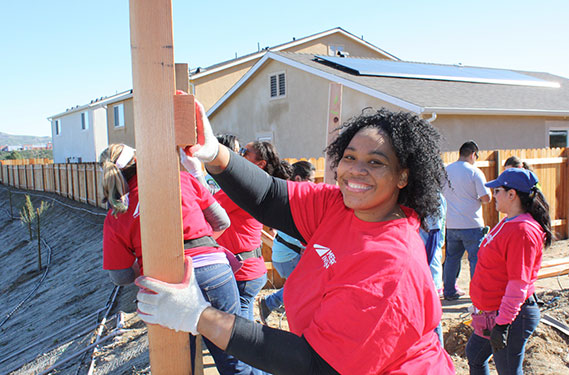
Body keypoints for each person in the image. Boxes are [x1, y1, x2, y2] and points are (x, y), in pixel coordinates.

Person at [136, 105, 455, 374]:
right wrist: (214, 153)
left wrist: (199, 316)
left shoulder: (390, 268)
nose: (356, 171)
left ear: (403, 176)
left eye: (376, 162)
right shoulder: (340, 207)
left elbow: (313, 364)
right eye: (349, 157)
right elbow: (269, 197)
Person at [100, 144, 253, 375]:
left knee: (179, 363)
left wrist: (145, 259)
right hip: (213, 269)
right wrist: (197, 242)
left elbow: (120, 276)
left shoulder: (117, 213)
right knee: (233, 355)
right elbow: (222, 222)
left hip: (167, 282)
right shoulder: (180, 180)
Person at [465, 168, 552, 375]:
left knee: (508, 371)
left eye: (497, 191)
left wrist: (503, 324)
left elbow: (518, 284)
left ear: (512, 194)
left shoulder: (522, 231)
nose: (493, 195)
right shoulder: (508, 222)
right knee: (475, 354)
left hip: (510, 317)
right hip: (492, 313)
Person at [211, 140, 291, 323]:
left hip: (242, 271)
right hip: (248, 268)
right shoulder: (256, 185)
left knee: (240, 334)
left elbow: (207, 206)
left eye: (245, 152)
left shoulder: (243, 188)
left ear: (260, 163)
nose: (240, 154)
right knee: (240, 331)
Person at [258, 161, 316, 324]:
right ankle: (269, 304)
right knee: (304, 287)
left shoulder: (290, 198)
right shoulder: (295, 202)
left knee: (304, 287)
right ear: (298, 179)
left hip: (286, 255)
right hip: (288, 258)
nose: (314, 184)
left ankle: (271, 304)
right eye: (311, 180)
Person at [442, 140, 491, 300]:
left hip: (451, 224)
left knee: (451, 259)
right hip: (472, 223)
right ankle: (477, 294)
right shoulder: (474, 172)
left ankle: (449, 292)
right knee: (475, 259)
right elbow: (486, 198)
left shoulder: (446, 170)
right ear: (472, 154)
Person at [419, 192, 446, 345]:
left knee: (432, 320)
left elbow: (433, 238)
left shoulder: (432, 197)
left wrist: (422, 267)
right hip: (420, 270)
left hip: (428, 270)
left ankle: (439, 356)